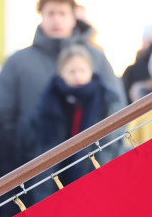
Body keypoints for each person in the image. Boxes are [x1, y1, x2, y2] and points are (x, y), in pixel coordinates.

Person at [0, 0, 125, 169]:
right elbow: (4, 116)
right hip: (37, 169)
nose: (56, 19)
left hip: (92, 166)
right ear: (41, 17)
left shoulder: (96, 58)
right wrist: (25, 150)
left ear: (73, 18)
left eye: (63, 13)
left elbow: (118, 109)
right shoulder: (18, 62)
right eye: (51, 13)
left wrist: (105, 153)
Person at [18, 44, 124, 206]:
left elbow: (113, 142)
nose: (77, 76)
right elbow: (36, 142)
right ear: (61, 73)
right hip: (55, 181)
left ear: (91, 71)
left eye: (82, 70)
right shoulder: (49, 100)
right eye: (72, 71)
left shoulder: (107, 100)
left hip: (95, 177)